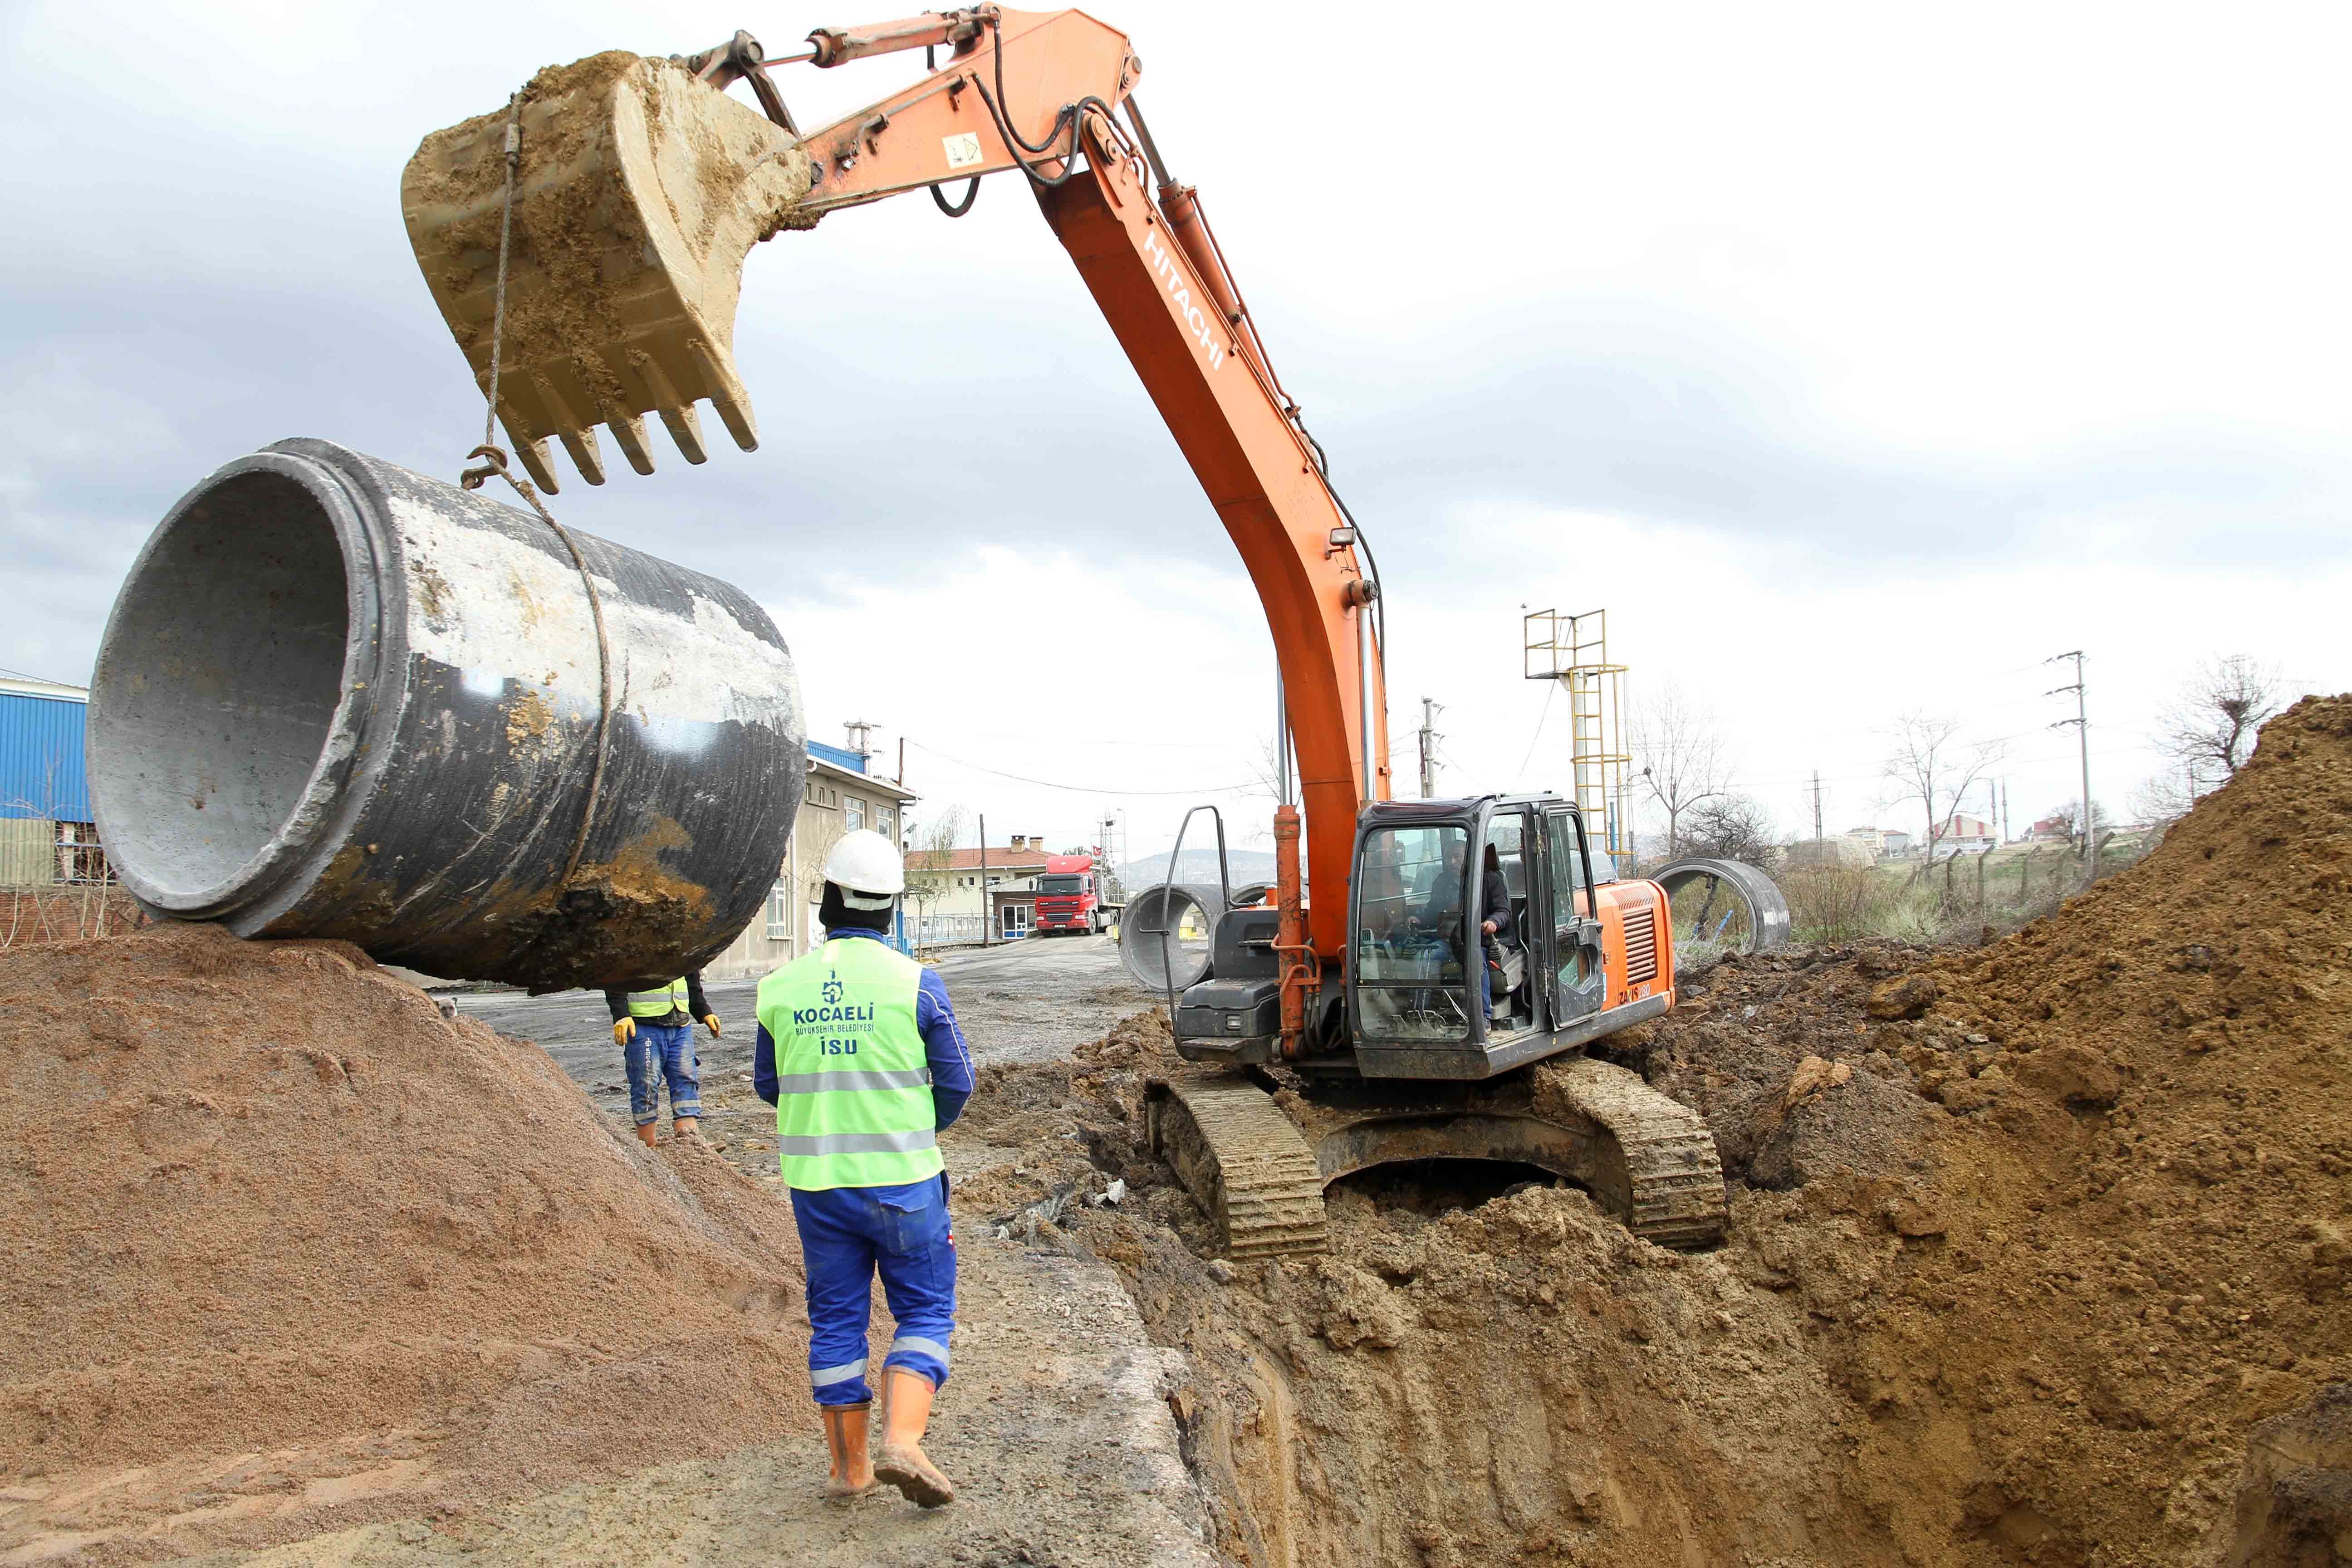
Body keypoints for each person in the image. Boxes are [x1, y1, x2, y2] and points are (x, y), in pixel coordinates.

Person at [755, 828, 975, 1508]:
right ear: (892, 910)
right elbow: (957, 1082)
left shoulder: (779, 987)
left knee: (837, 1324)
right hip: (904, 1186)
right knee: (927, 1311)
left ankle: (848, 1471)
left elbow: (771, 1085)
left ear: (826, 902)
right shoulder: (917, 984)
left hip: (818, 1192)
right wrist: (909, 1124)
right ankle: (903, 1442)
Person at [604, 969, 720, 1147]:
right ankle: (648, 1148)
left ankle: (690, 1145)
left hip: (681, 1022)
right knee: (646, 1085)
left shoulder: (683, 943)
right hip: (643, 1023)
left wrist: (703, 1009)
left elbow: (691, 973)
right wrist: (621, 1014)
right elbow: (616, 972)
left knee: (686, 1081)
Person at [1478, 842, 1518, 1024]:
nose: (1454, 861)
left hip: (1482, 940)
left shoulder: (1493, 880)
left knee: (1476, 960)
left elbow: (1504, 911)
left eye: (1458, 856)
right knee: (1428, 955)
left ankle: (1483, 1016)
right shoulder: (1444, 881)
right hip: (1454, 940)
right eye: (1451, 857)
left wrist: (1493, 922)